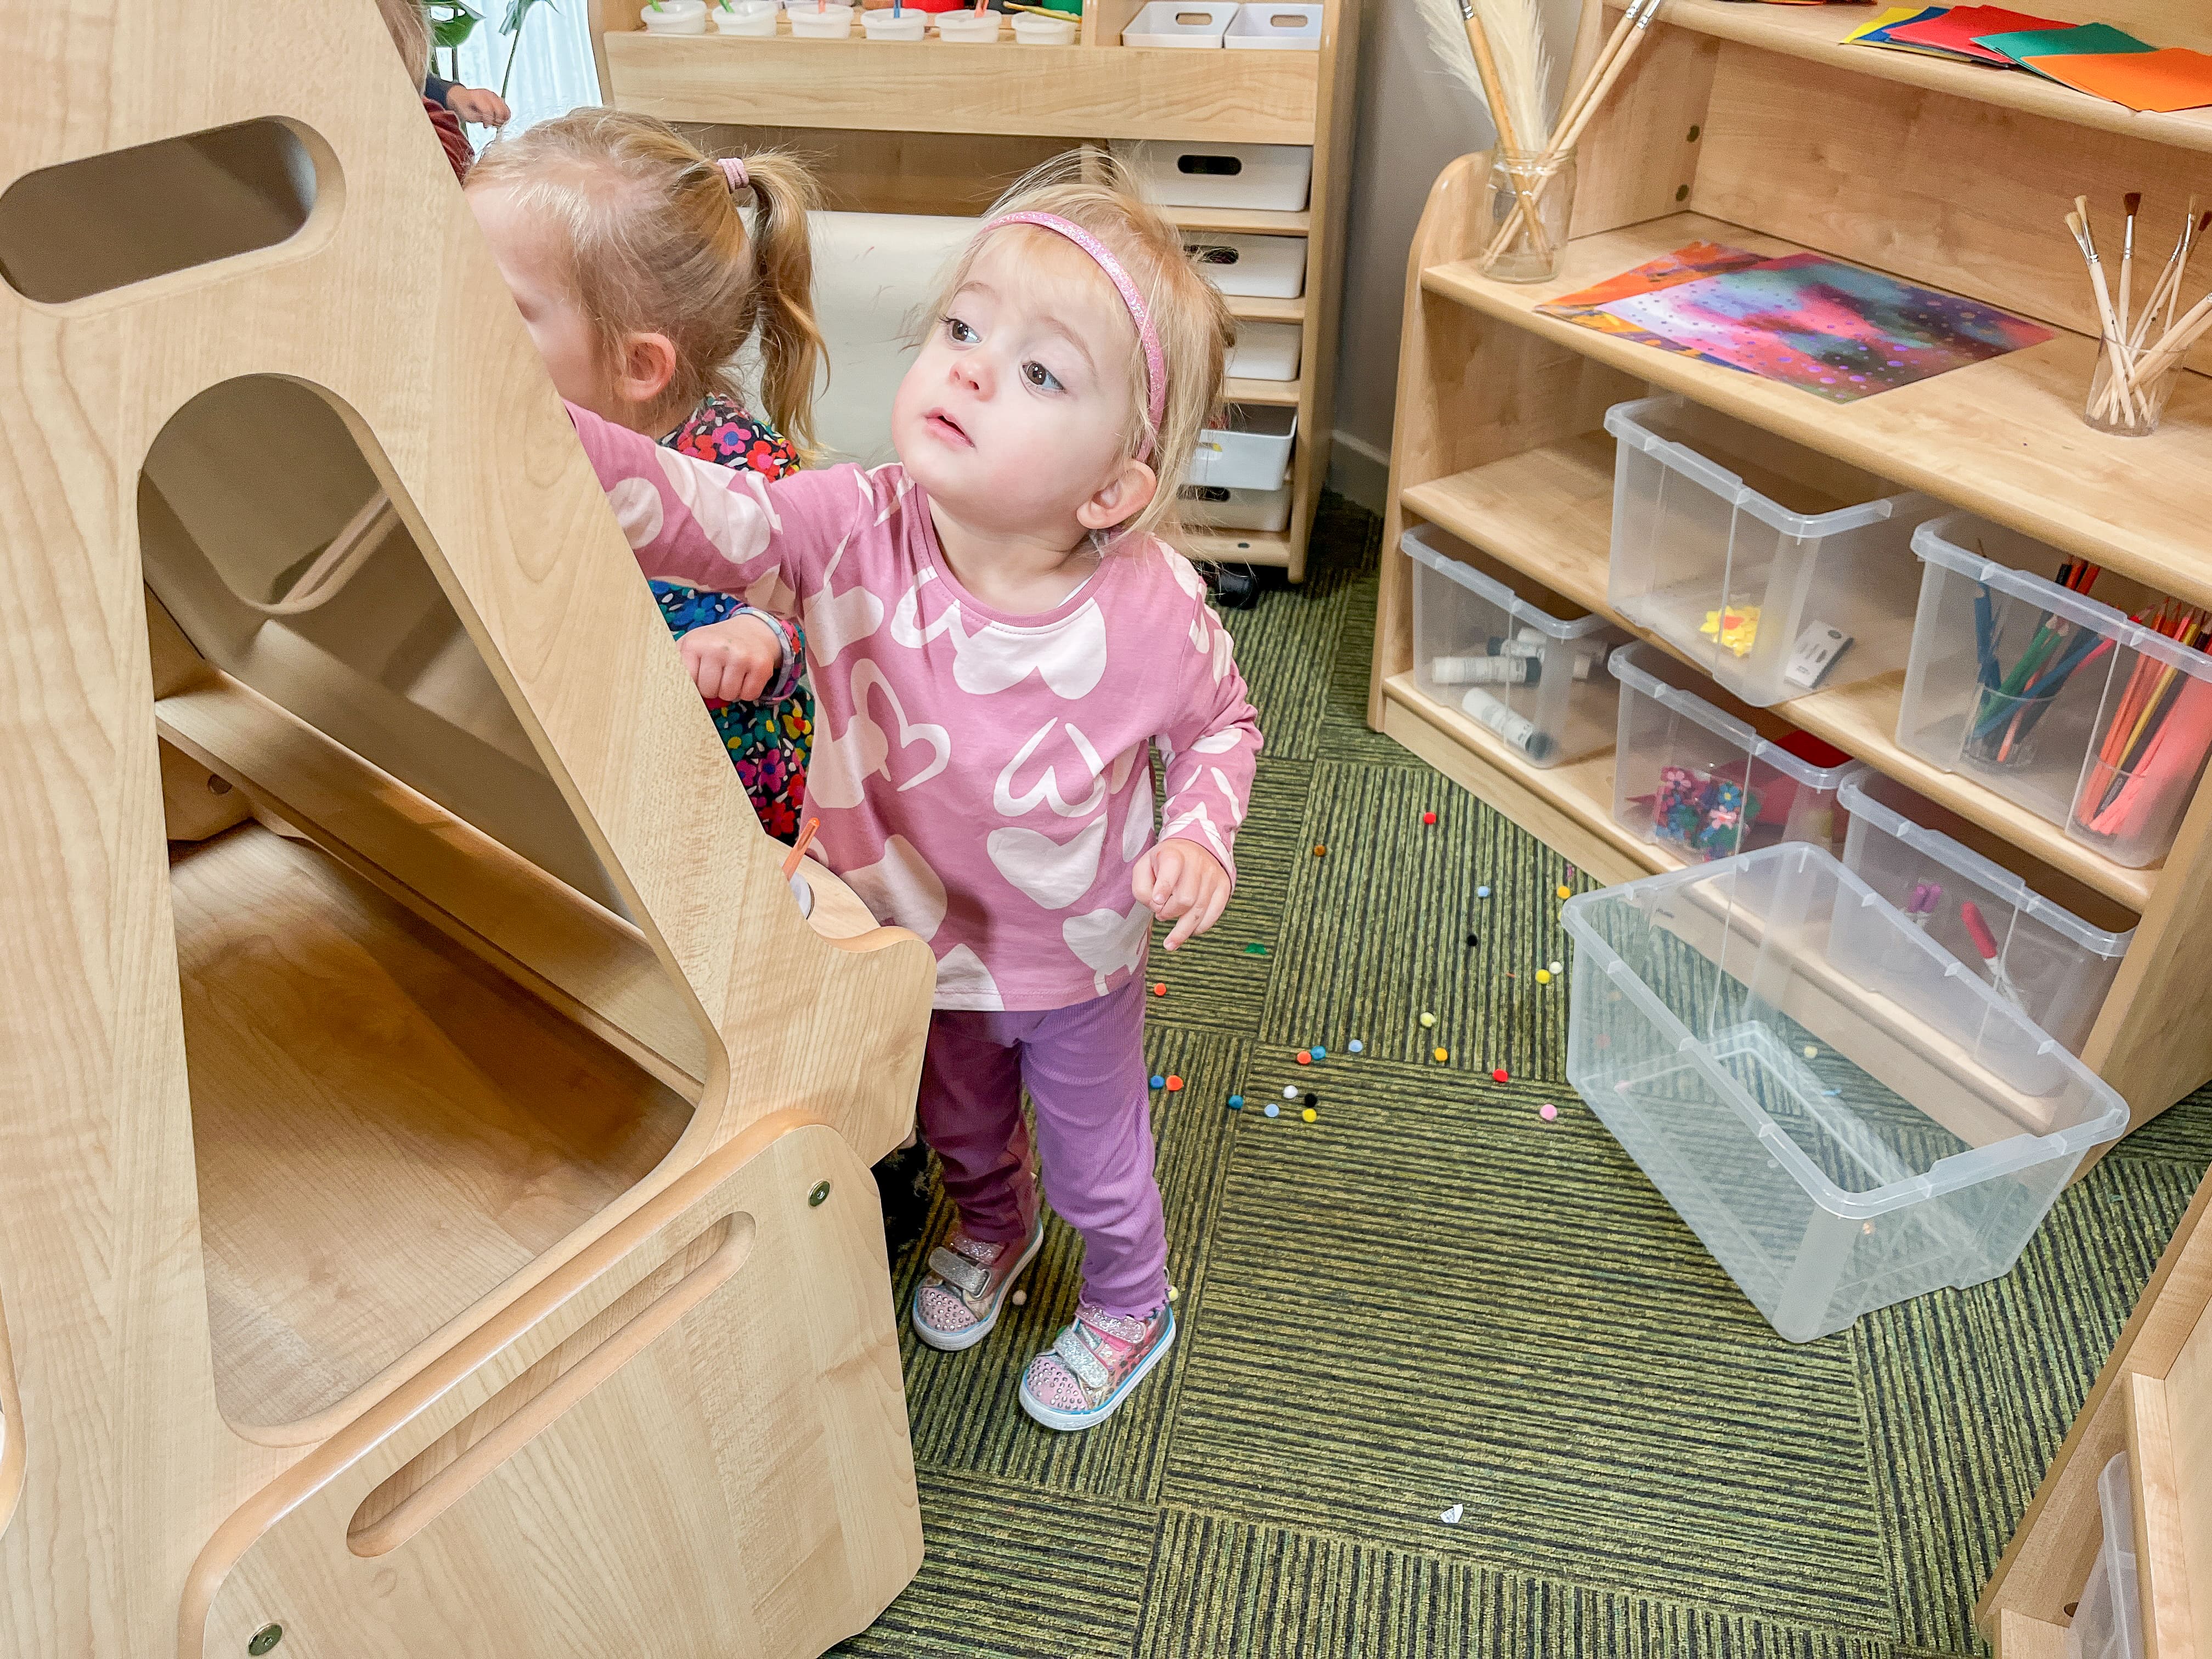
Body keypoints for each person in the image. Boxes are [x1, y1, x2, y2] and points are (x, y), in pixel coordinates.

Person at [566, 156, 1261, 1431]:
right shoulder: (850, 523)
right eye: (964, 329)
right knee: (955, 1120)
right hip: (902, 921)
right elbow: (704, 518)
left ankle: (1129, 1298)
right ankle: (993, 1232)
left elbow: (1224, 726)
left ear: (1112, 488)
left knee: (1100, 1156)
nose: (976, 369)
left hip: (1072, 956)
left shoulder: (1151, 612)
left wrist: (1204, 838)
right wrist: (538, 431)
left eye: (1043, 372)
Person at [466, 111, 823, 839]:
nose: (456, 320)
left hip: (719, 809)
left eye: (495, 307)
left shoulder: (740, 464)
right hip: (579, 776)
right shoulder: (503, 434)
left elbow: (825, 598)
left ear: (638, 365)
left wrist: (759, 639)